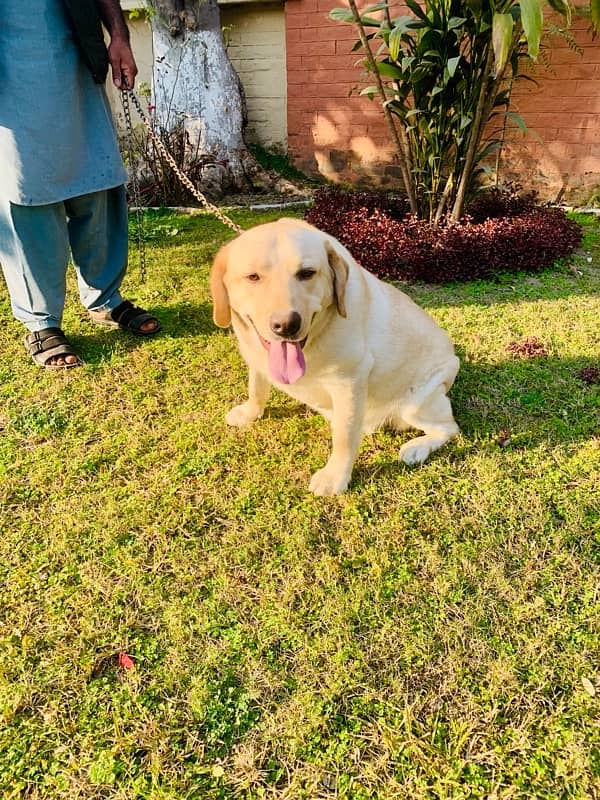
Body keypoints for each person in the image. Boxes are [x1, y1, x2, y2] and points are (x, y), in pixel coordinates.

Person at [0, 0, 160, 369]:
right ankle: (41, 322)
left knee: (96, 177)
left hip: (76, 59)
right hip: (9, 74)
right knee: (28, 192)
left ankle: (105, 298)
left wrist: (119, 36)